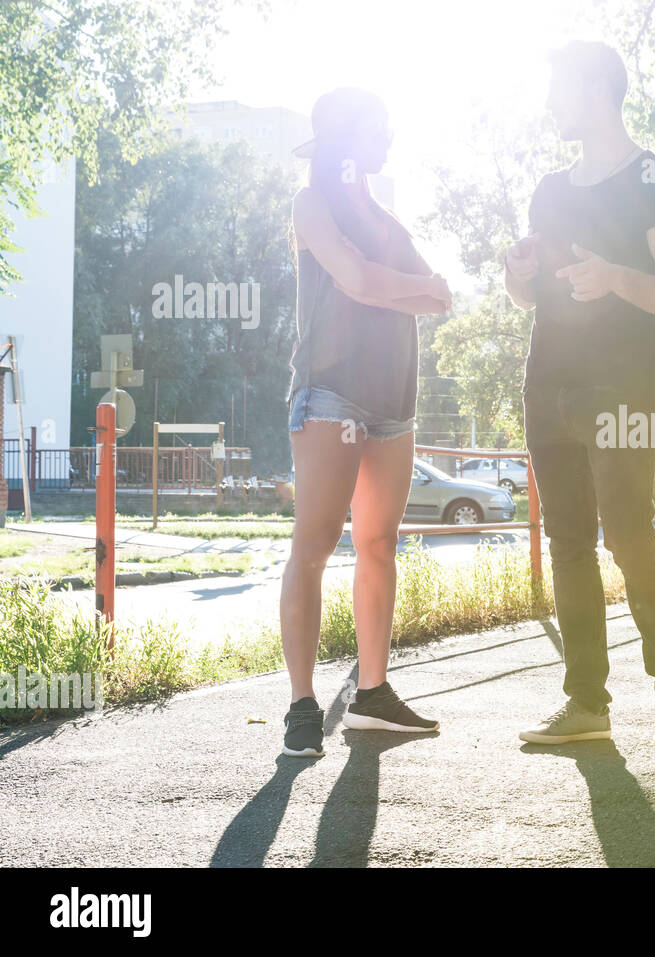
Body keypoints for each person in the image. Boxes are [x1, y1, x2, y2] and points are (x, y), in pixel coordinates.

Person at [504, 41, 655, 748]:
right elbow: (528, 292)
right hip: (548, 382)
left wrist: (616, 277)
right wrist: (519, 271)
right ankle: (586, 703)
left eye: (559, 87)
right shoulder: (550, 191)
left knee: (626, 531)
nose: (551, 103)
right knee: (567, 541)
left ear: (595, 90)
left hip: (624, 388)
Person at [279, 87, 450, 758]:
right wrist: (405, 286)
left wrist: (403, 285)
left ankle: (372, 695)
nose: (390, 140)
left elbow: (440, 292)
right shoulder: (310, 204)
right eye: (380, 129)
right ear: (346, 139)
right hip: (330, 394)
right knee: (315, 545)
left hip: (394, 402)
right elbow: (354, 280)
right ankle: (301, 705)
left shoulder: (386, 218)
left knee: (378, 545)